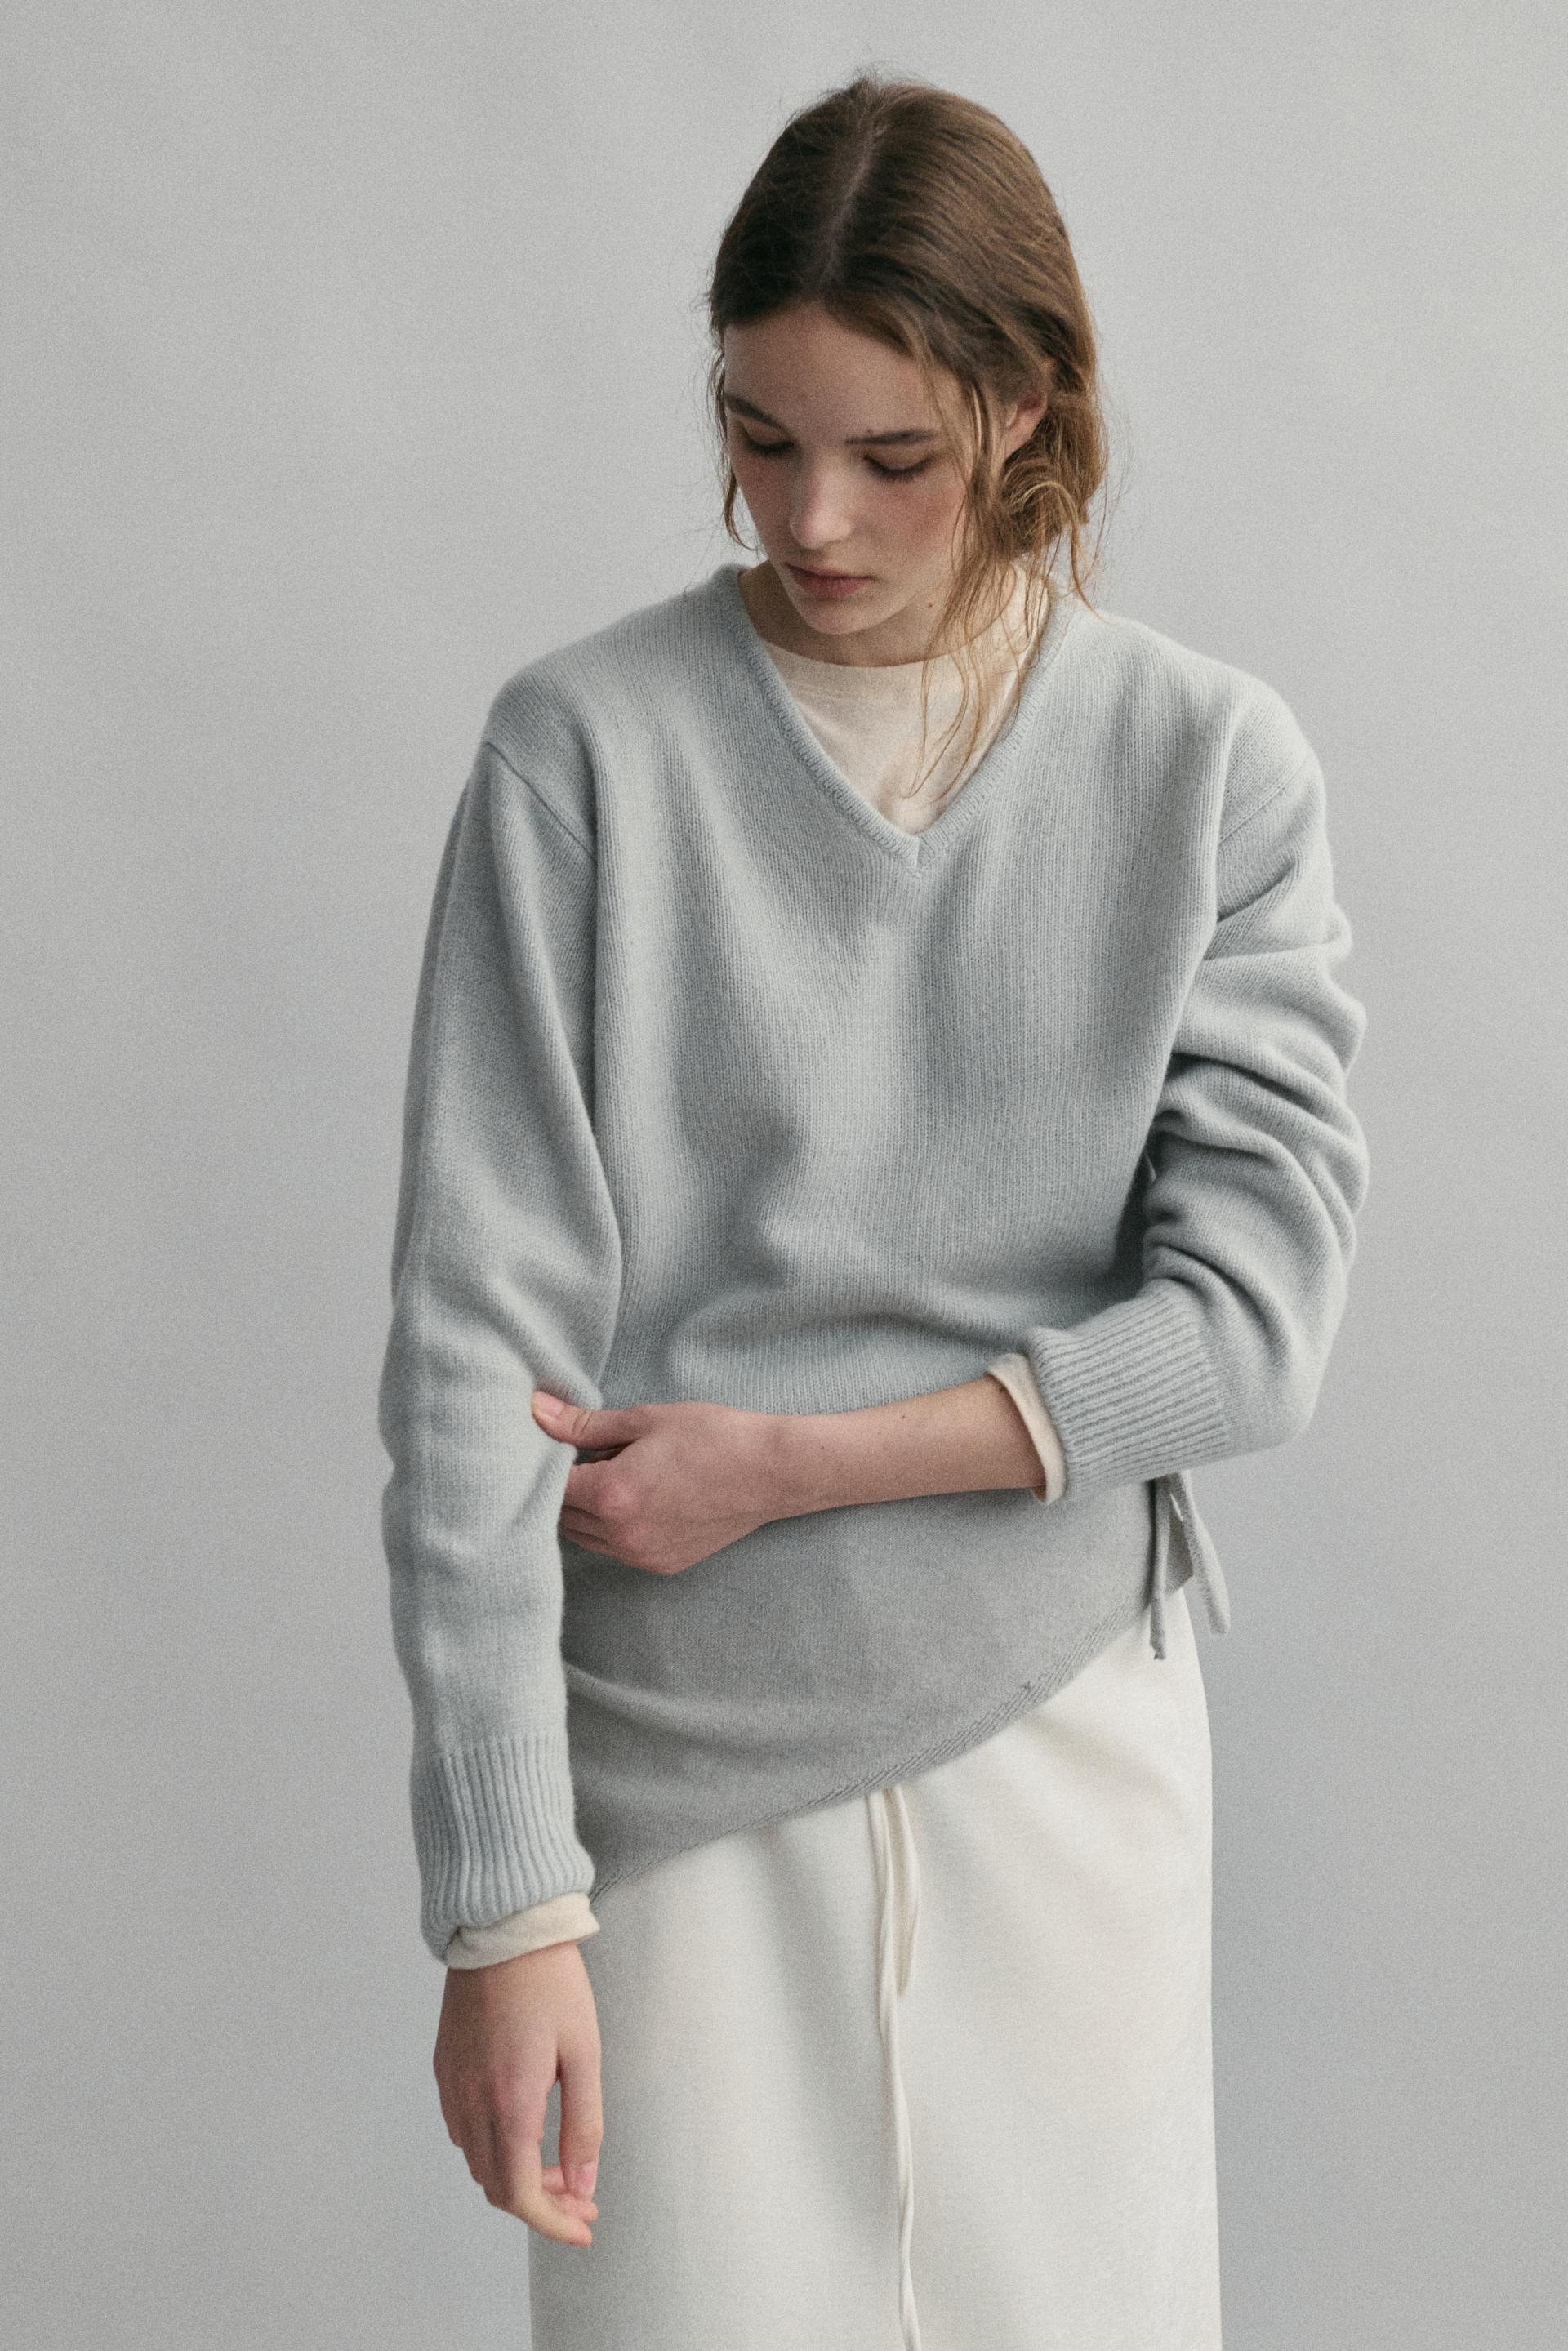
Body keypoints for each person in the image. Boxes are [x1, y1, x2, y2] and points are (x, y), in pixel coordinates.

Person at [376, 72, 1370, 2351]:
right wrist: (506, 1905)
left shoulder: (1206, 767)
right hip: (673, 1791)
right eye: (761, 436)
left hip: (1064, 1741)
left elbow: (1256, 1333)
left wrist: (798, 1463)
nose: (812, 516)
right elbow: (468, 1367)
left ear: (1024, 412)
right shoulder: (584, 754)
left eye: (893, 456)